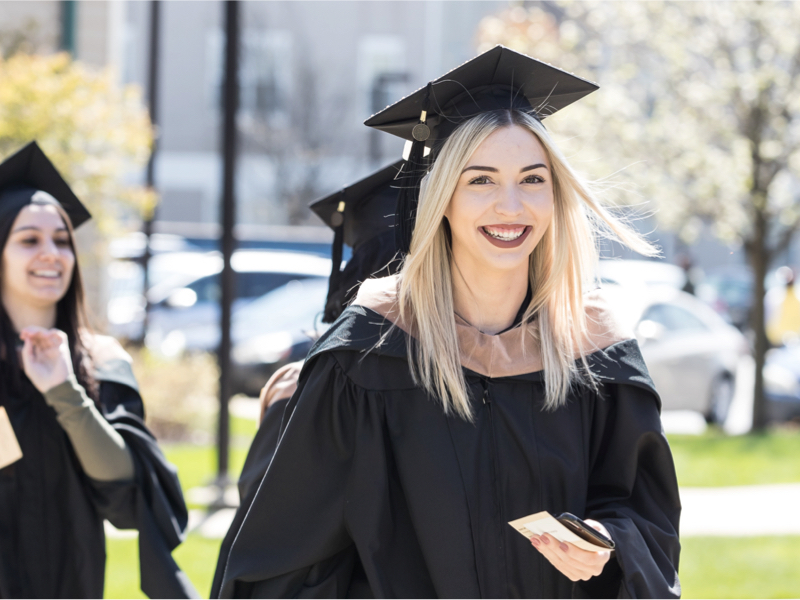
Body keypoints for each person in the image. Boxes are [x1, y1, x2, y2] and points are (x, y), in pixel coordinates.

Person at [215, 46, 681, 598]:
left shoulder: (594, 351)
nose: (511, 205)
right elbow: (289, 560)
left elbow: (645, 519)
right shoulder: (368, 356)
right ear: (440, 198)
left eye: (533, 179)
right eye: (480, 180)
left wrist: (607, 541)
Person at [0, 141, 198, 598]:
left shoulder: (100, 359)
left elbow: (127, 498)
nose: (51, 253)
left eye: (62, 240)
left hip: (74, 581)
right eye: (29, 239)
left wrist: (65, 391)